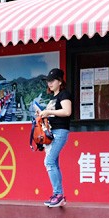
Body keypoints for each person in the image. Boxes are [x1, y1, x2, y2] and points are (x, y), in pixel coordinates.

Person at [39, 68, 72, 207]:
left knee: (49, 162)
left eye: (52, 81)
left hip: (60, 132)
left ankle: (58, 194)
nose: (49, 83)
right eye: (48, 81)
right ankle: (58, 195)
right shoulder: (54, 97)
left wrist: (48, 111)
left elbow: (67, 111)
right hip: (54, 133)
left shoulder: (64, 94)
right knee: (53, 163)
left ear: (60, 81)